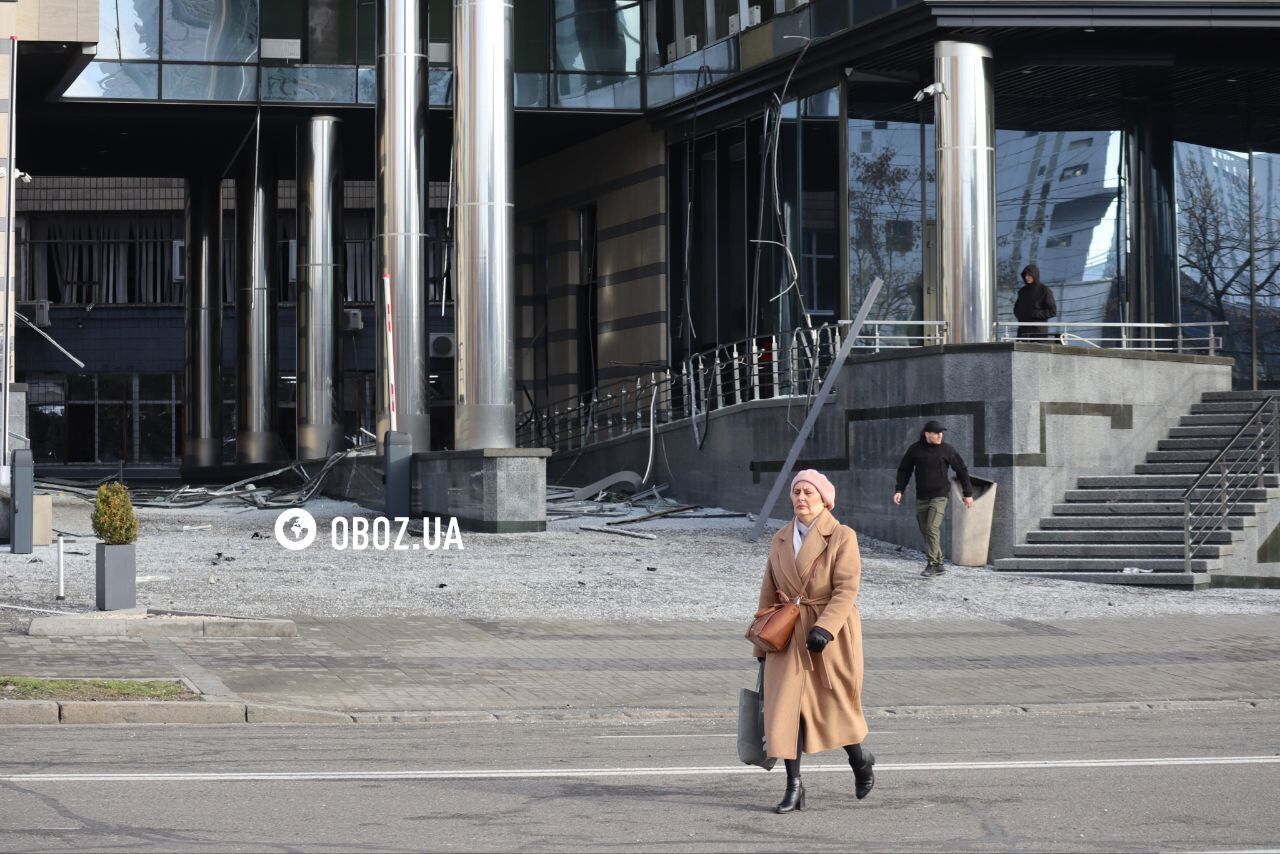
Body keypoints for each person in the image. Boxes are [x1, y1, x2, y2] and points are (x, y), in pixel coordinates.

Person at [754, 470, 874, 814]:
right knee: (786, 712)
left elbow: (846, 589)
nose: (801, 498)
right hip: (787, 632)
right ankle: (794, 786)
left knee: (832, 706)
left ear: (824, 499)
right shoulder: (779, 538)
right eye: (796, 492)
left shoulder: (841, 536)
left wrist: (825, 628)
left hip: (828, 634)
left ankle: (859, 758)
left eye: (808, 492)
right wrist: (762, 644)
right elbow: (767, 591)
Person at [893, 421, 974, 577]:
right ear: (927, 434)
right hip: (922, 497)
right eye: (936, 433)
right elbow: (905, 470)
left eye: (941, 433)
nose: (939, 436)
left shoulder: (947, 449)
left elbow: (962, 470)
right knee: (926, 531)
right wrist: (899, 490)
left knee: (932, 528)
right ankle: (939, 563)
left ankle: (931, 564)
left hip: (940, 496)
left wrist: (968, 494)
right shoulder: (915, 449)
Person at [1013, 264, 1057, 340]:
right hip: (1023, 330)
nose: (1027, 277)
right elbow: (1016, 308)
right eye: (1025, 275)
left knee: (1036, 350)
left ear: (1035, 275)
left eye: (1029, 275)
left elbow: (1052, 311)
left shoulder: (1044, 290)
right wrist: (1020, 315)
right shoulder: (1022, 291)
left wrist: (1035, 314)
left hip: (1038, 331)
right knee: (1020, 350)